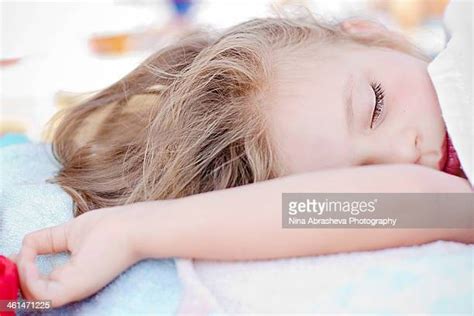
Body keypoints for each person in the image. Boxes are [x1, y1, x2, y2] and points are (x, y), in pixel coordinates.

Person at [12, 14, 473, 308]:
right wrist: (133, 230)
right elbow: (430, 203)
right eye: (369, 180)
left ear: (372, 32)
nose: (405, 157)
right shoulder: (445, 199)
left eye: (376, 105)